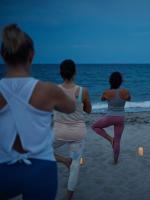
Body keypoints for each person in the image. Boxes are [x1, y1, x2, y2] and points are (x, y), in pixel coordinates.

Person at [0, 24, 75, 199]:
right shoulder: (47, 90)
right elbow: (71, 107)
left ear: (3, 56)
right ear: (31, 56)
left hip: (3, 169)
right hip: (40, 169)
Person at [53, 59, 92, 200]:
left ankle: (63, 160)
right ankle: (68, 198)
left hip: (59, 133)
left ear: (60, 73)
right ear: (75, 73)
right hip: (78, 133)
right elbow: (89, 111)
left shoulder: (54, 90)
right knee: (76, 165)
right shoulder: (83, 91)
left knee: (40, 150)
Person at [92, 71, 131, 164]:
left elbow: (102, 99)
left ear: (110, 81)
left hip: (110, 117)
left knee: (94, 127)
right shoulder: (125, 91)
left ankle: (110, 139)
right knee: (118, 141)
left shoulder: (107, 92)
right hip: (121, 118)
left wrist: (108, 94)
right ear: (121, 81)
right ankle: (115, 161)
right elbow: (129, 98)